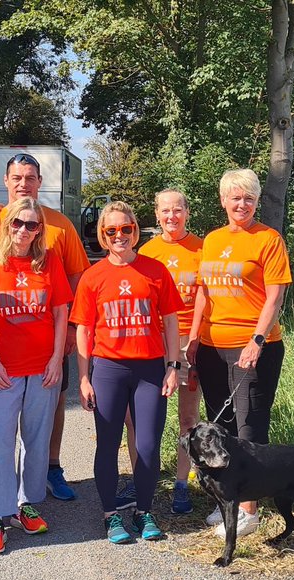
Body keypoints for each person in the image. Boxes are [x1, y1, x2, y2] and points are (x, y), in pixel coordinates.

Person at [0, 153, 90, 500]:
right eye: (17, 177)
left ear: (39, 182)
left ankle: (50, 470)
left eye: (31, 177)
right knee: (3, 433)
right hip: (2, 349)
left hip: (47, 342)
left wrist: (69, 330)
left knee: (50, 406)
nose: (24, 183)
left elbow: (76, 277)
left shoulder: (59, 225)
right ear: (6, 181)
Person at [187, 169, 293, 538]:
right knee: (224, 426)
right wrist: (194, 337)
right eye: (235, 197)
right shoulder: (212, 240)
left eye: (249, 198)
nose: (242, 204)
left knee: (250, 426)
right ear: (223, 201)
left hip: (255, 347)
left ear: (256, 202)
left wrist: (257, 340)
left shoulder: (268, 239)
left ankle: (250, 510)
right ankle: (229, 501)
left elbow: (275, 295)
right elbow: (203, 292)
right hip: (213, 347)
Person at [0, 197, 73, 554]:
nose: (24, 230)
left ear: (40, 229)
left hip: (43, 367)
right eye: (18, 223)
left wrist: (57, 359)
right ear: (6, 224)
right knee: (1, 441)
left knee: (36, 438)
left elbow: (60, 314)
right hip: (3, 369)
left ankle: (26, 503)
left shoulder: (50, 261)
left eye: (32, 224)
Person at [72, 201, 182, 544]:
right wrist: (84, 377)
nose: (119, 236)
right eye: (111, 231)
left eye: (126, 229)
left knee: (148, 446)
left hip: (150, 369)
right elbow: (84, 330)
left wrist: (172, 366)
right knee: (107, 444)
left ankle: (144, 511)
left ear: (136, 230)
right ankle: (110, 515)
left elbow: (170, 321)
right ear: (102, 236)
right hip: (108, 368)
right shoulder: (93, 276)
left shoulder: (155, 270)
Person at [120, 189, 203, 514]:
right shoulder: (147, 252)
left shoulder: (201, 248)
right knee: (137, 419)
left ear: (187, 212)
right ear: (156, 214)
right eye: (165, 211)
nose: (171, 216)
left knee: (187, 417)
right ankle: (142, 481)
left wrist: (194, 337)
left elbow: (204, 298)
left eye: (177, 210)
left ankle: (182, 484)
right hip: (149, 343)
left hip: (186, 342)